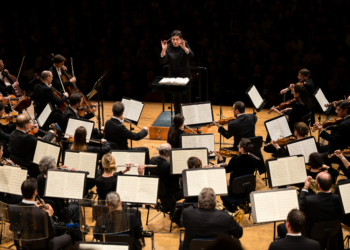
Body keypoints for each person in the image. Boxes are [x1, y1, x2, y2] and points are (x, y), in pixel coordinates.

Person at [277, 173, 343, 249]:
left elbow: (299, 207)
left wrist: (305, 188)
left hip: (312, 236)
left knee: (281, 227)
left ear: (318, 185)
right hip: (333, 235)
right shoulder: (339, 199)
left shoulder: (309, 200)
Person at [12, 178, 72, 250]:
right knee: (68, 237)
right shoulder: (42, 214)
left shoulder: (12, 208)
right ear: (35, 193)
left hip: (22, 245)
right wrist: (49, 216)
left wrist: (35, 207)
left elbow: (13, 228)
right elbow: (51, 234)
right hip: (42, 247)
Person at [218, 138, 259, 212]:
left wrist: (220, 158)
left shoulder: (235, 160)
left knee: (222, 192)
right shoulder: (253, 159)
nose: (238, 147)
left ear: (242, 149)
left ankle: (231, 211)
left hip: (235, 191)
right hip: (248, 190)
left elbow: (226, 170)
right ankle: (241, 203)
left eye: (239, 146)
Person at [159, 30, 194, 114]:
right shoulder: (168, 46)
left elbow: (191, 55)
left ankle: (188, 117)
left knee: (187, 99)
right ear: (171, 40)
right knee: (176, 98)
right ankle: (177, 118)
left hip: (185, 75)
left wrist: (184, 48)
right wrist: (163, 50)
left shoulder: (185, 44)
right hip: (174, 76)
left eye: (177, 39)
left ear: (180, 39)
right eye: (173, 39)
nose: (175, 41)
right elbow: (162, 61)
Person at [36, 156, 79, 222]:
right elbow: (65, 197)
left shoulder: (39, 178)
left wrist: (60, 170)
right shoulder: (57, 181)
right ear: (52, 169)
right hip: (59, 213)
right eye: (55, 166)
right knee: (77, 206)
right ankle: (73, 230)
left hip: (44, 210)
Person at [313, 101, 350, 178]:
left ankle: (328, 176)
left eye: (339, 110)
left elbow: (333, 139)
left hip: (338, 151)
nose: (336, 112)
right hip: (343, 145)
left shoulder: (344, 124)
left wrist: (321, 131)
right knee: (319, 149)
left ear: (345, 110)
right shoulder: (346, 120)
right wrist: (324, 125)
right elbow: (340, 131)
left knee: (315, 158)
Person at [149, 143, 183, 212]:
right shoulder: (168, 166)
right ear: (168, 153)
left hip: (157, 192)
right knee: (188, 189)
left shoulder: (152, 160)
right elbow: (179, 175)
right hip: (169, 194)